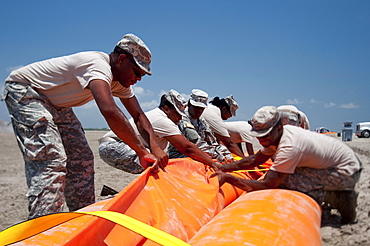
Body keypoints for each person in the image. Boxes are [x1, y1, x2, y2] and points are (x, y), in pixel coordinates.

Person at [2, 34, 167, 219]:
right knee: (51, 159)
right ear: (121, 59)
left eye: (142, 75)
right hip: (27, 90)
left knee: (83, 159)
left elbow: (138, 115)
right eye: (137, 72)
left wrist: (154, 148)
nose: (138, 79)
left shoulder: (120, 82)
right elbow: (109, 109)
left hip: (57, 104)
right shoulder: (97, 65)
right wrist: (141, 151)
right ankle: (43, 228)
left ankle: (81, 219)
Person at [211, 106, 362, 224]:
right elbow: (255, 160)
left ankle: (341, 198)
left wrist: (231, 179)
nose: (262, 141)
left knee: (287, 182)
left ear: (278, 128)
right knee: (283, 175)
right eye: (259, 137)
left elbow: (268, 184)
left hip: (346, 172)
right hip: (335, 165)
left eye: (264, 136)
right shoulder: (276, 136)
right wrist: (224, 167)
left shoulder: (289, 146)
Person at [99, 89, 221, 173]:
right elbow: (187, 147)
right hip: (113, 146)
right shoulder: (162, 119)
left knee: (158, 163)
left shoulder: (166, 118)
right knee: (154, 164)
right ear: (166, 109)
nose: (180, 118)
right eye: (177, 114)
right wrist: (213, 163)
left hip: (118, 146)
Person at [168, 89, 233, 163]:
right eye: (196, 107)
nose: (199, 111)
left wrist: (226, 154)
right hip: (180, 156)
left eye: (202, 108)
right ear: (189, 104)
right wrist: (218, 155)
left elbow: (212, 142)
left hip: (199, 153)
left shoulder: (201, 121)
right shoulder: (183, 118)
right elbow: (196, 143)